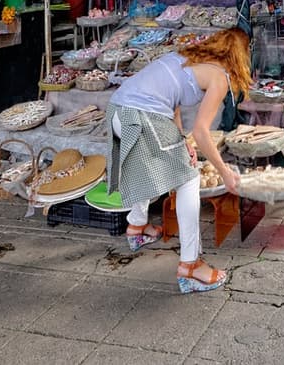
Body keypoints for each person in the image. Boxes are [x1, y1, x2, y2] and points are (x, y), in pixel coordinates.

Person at [105, 27, 249, 293]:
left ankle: (136, 227)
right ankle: (190, 267)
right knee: (189, 178)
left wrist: (180, 140)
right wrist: (225, 172)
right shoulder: (219, 77)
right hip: (142, 116)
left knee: (145, 161)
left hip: (118, 112)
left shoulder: (185, 56)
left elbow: (173, 104)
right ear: (240, 57)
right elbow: (202, 133)